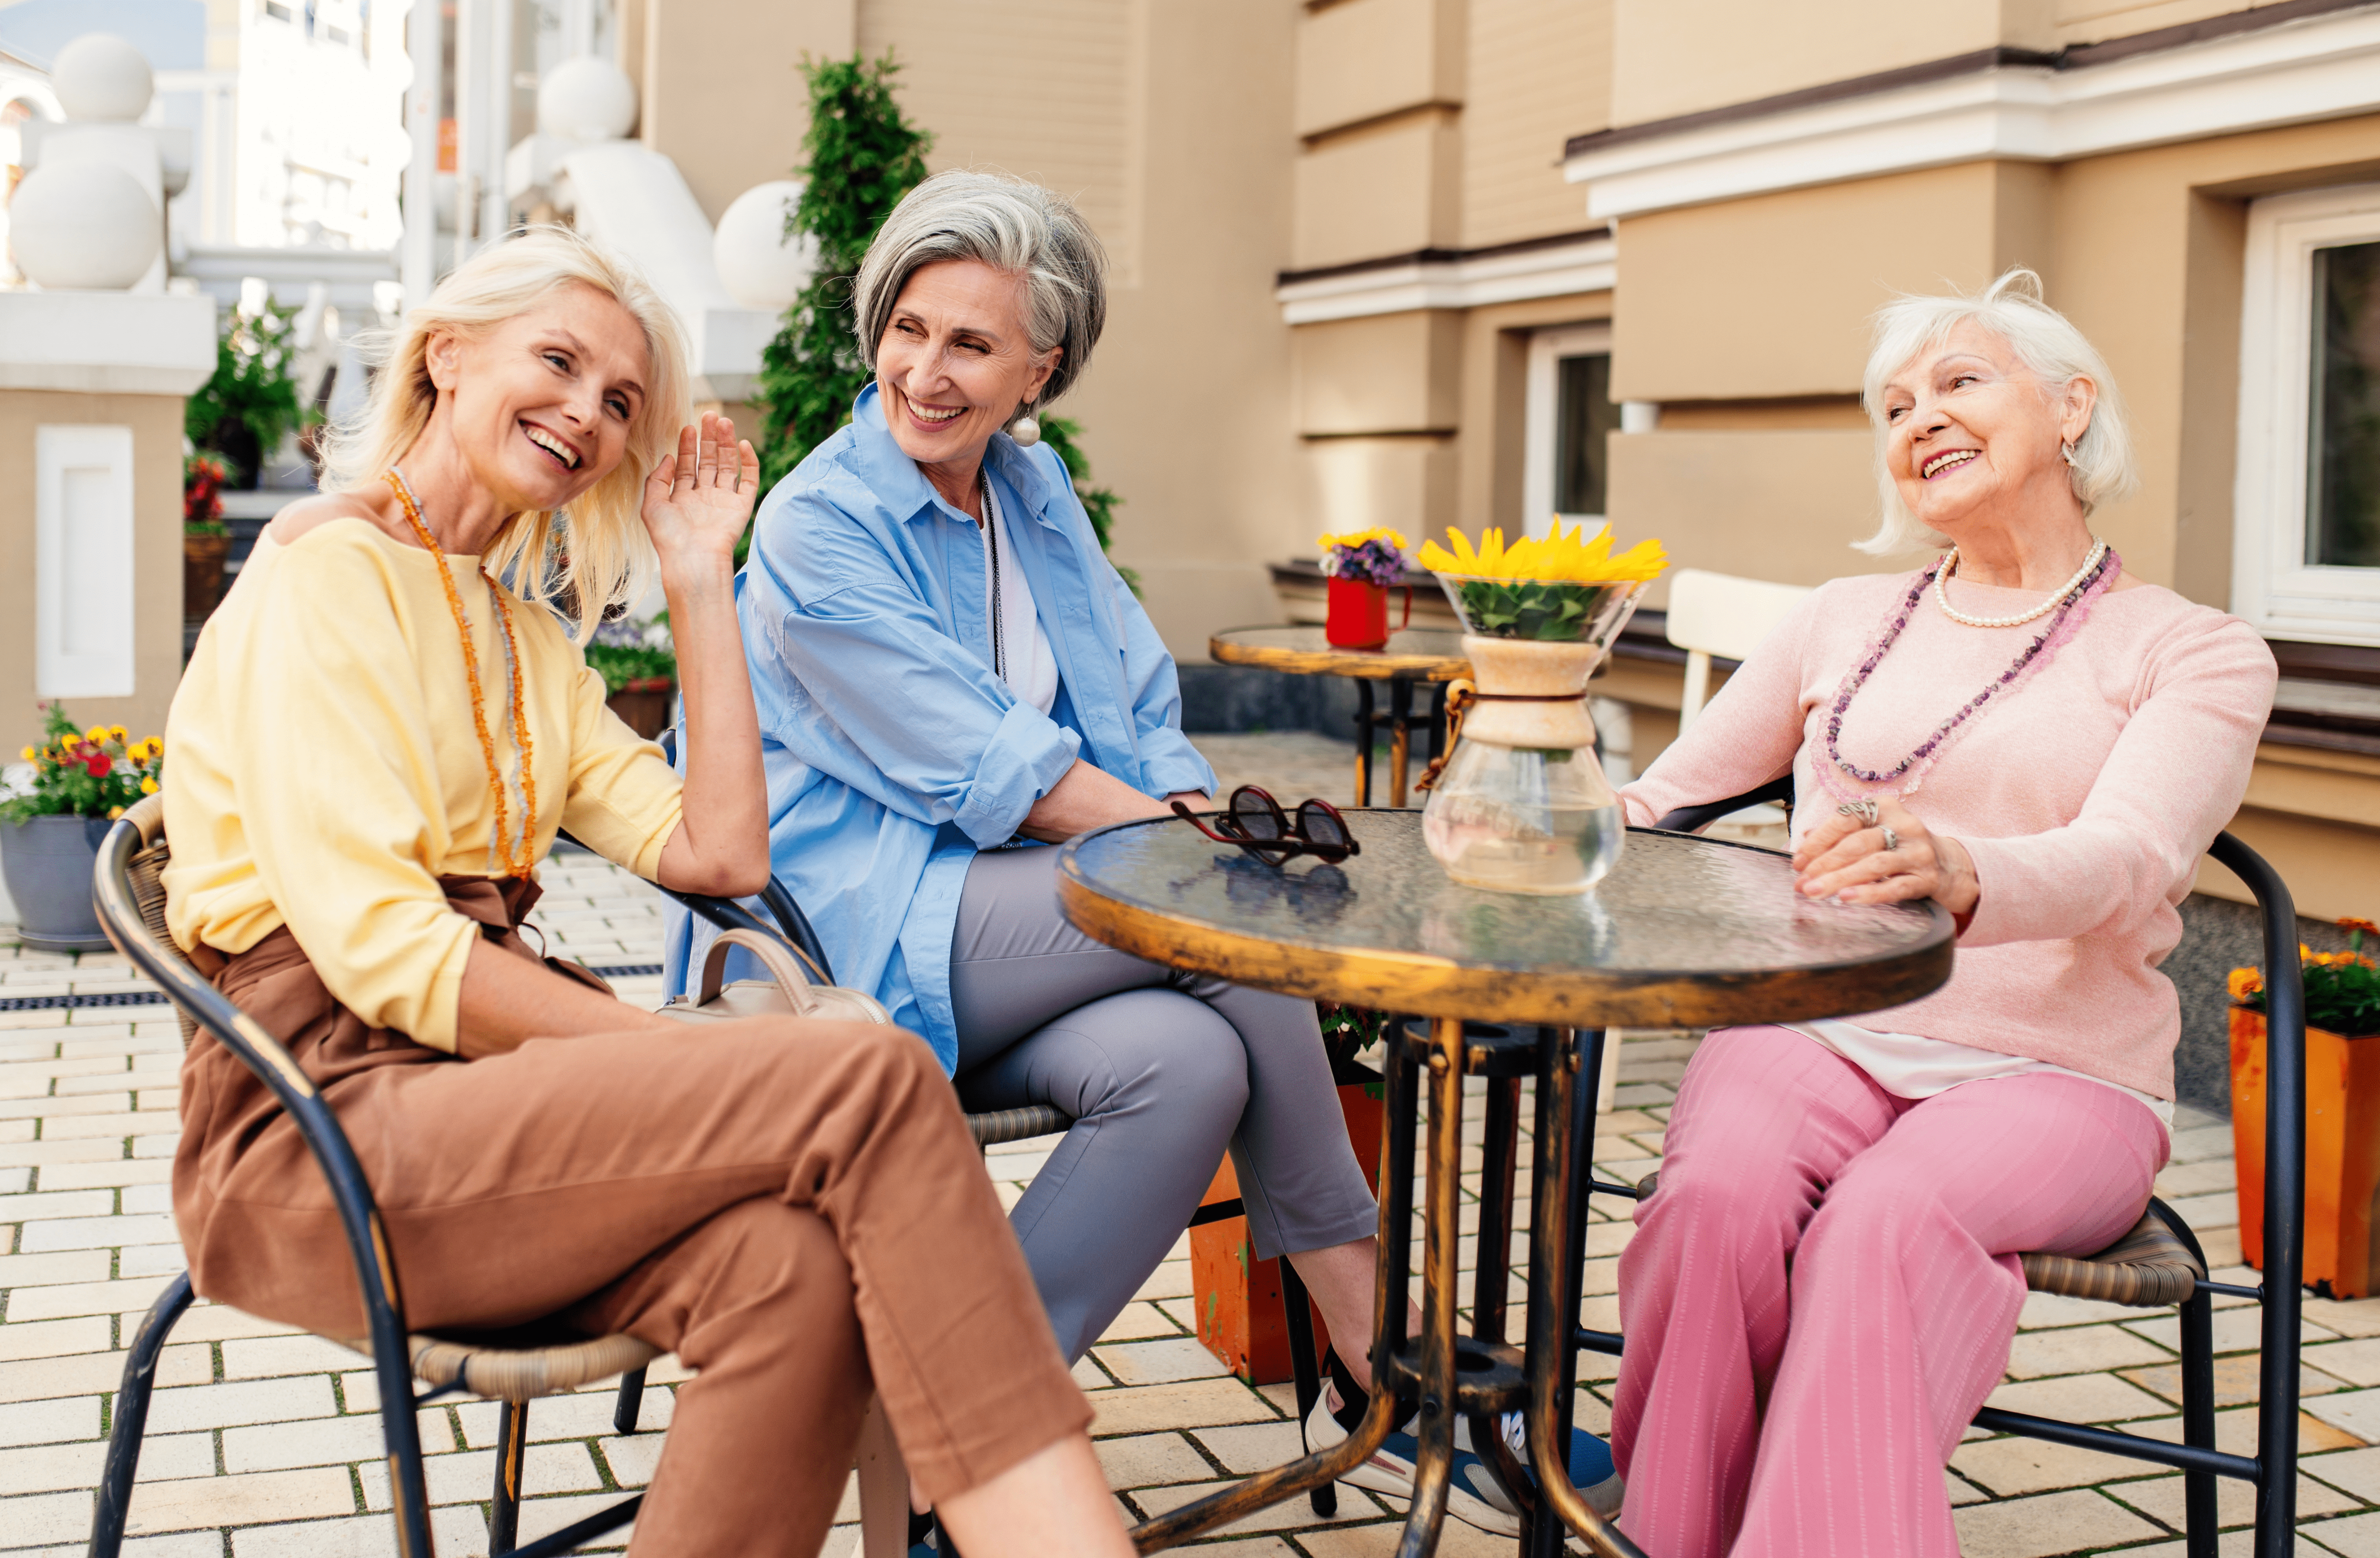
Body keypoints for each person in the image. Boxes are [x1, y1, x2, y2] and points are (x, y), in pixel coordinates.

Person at [161, 227, 1134, 1558]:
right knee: (866, 1073)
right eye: (558, 363)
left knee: (794, 1269)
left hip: (474, 1109)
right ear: (447, 356)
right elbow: (385, 952)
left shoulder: (522, 635)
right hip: (319, 1132)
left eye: (621, 401)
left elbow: (720, 856)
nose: (588, 414)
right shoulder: (325, 570)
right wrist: (678, 1055)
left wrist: (696, 577)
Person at [671, 168, 1611, 1533]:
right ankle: (1383, 1352)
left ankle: (952, 1435)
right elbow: (999, 771)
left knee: (1186, 1064)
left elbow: (1134, 707)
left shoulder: (1031, 488)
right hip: (851, 936)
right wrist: (1207, 847)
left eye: (971, 343)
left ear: (1040, 369)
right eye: (908, 329)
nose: (924, 373)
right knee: (1230, 918)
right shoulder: (822, 523)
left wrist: (1185, 809)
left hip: (1005, 940)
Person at [1608, 269, 2278, 1557]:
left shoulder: (2190, 647)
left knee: (1886, 1220)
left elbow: (2133, 854)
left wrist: (1968, 874)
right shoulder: (1839, 619)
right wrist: (1533, 805)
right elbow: (1662, 802)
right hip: (1820, 1022)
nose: (1920, 418)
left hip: (2058, 1066)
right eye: (1896, 405)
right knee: (1717, 1198)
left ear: (2072, 407)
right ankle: (1670, 1535)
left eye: (1959, 382)